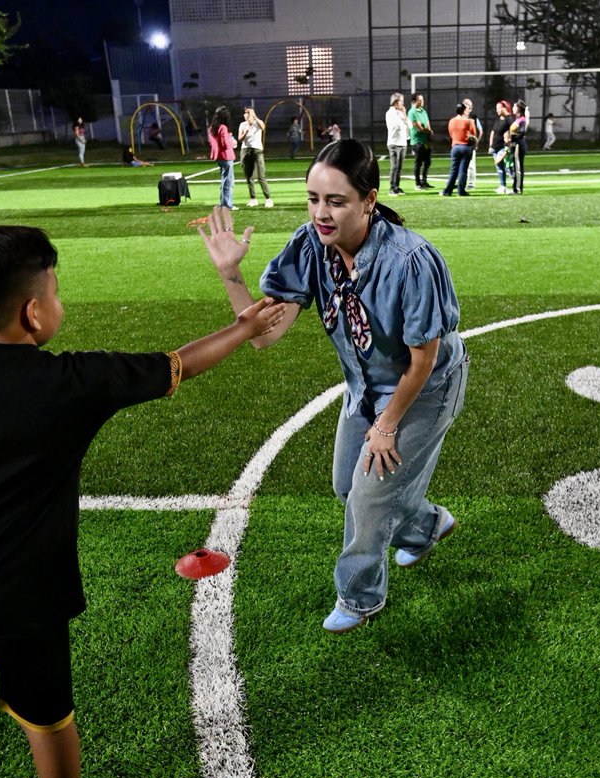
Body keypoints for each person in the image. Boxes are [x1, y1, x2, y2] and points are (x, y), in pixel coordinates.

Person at [0, 225, 284, 778]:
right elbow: (176, 365)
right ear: (33, 313)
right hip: (30, 600)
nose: (59, 303)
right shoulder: (72, 383)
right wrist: (244, 327)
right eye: (55, 292)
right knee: (50, 714)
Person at [198, 139, 468, 634]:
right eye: (313, 199)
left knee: (367, 498)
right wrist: (230, 272)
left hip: (424, 387)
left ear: (369, 200)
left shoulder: (410, 260)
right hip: (365, 384)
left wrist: (387, 426)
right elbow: (266, 335)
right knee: (347, 486)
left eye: (336, 201)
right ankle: (427, 525)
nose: (321, 213)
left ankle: (360, 596)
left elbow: (423, 357)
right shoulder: (310, 246)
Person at [237, 107, 273, 208]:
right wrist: (245, 132)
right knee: (249, 177)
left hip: (257, 151)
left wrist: (255, 116)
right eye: (245, 113)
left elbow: (263, 127)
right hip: (245, 150)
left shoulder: (258, 122)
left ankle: (268, 199)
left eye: (247, 113)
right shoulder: (242, 125)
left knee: (261, 176)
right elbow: (240, 139)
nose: (245, 115)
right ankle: (253, 199)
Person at [440, 103, 474, 197]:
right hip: (466, 147)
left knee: (453, 170)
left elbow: (451, 133)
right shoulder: (468, 121)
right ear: (464, 110)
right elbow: (473, 134)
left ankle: (448, 191)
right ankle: (460, 191)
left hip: (455, 147)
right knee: (463, 171)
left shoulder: (452, 121)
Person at [208, 106, 237, 209]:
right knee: (229, 181)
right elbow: (225, 144)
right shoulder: (223, 128)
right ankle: (227, 204)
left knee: (224, 180)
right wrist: (232, 141)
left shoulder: (211, 128)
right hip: (226, 156)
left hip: (218, 156)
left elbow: (212, 142)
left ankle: (223, 203)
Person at [385, 92, 410, 196]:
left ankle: (397, 186)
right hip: (394, 142)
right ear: (395, 101)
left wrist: (404, 114)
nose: (402, 104)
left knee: (399, 167)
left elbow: (410, 125)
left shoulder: (400, 113)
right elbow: (398, 125)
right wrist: (404, 123)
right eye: (401, 101)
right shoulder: (390, 113)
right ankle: (392, 188)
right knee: (394, 166)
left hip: (402, 142)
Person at [407, 93, 433, 190]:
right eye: (420, 100)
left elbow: (427, 123)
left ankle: (424, 181)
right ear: (414, 101)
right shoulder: (412, 112)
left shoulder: (423, 111)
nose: (422, 101)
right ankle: (418, 184)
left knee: (428, 162)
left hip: (426, 142)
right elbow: (419, 128)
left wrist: (430, 133)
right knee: (418, 163)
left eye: (422, 99)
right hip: (417, 141)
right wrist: (429, 131)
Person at [490, 100, 512, 194]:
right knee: (499, 168)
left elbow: (512, 133)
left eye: (498, 108)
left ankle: (515, 186)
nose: (497, 110)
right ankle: (502, 186)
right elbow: (493, 132)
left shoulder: (509, 119)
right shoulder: (498, 119)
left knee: (507, 167)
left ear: (504, 108)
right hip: (495, 147)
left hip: (502, 147)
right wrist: (490, 146)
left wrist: (508, 146)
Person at [507, 100, 528, 194]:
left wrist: (513, 139)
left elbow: (522, 131)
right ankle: (516, 187)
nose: (512, 108)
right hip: (516, 145)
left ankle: (518, 188)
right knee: (516, 167)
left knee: (518, 167)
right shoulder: (517, 119)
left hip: (518, 145)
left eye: (514, 107)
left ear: (519, 108)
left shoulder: (522, 119)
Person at [462, 98, 480, 191]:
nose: (470, 108)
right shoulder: (460, 117)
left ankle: (471, 183)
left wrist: (476, 142)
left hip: (470, 145)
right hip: (462, 144)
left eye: (470, 107)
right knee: (463, 164)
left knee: (471, 164)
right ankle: (463, 181)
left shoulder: (473, 118)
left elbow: (479, 131)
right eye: (467, 106)